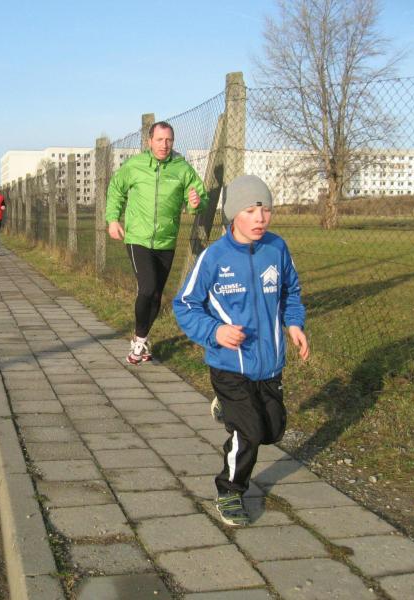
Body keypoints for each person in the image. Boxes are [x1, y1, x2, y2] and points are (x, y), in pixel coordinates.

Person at [172, 174, 309, 526]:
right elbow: (185, 305)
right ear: (234, 215)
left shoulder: (277, 248)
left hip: (270, 363)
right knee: (248, 433)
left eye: (266, 210)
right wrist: (215, 331)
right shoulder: (214, 257)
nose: (260, 218)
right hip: (229, 365)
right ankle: (230, 491)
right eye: (250, 211)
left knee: (272, 430)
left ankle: (226, 409)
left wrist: (294, 324)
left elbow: (291, 292)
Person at [106, 121, 207, 365]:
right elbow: (116, 189)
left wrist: (196, 203)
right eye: (160, 140)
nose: (164, 145)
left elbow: (199, 198)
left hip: (166, 240)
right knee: (147, 288)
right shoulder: (135, 165)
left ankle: (140, 338)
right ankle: (139, 341)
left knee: (157, 295)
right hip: (138, 238)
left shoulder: (182, 168)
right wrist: (112, 219)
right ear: (149, 141)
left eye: (169, 140)